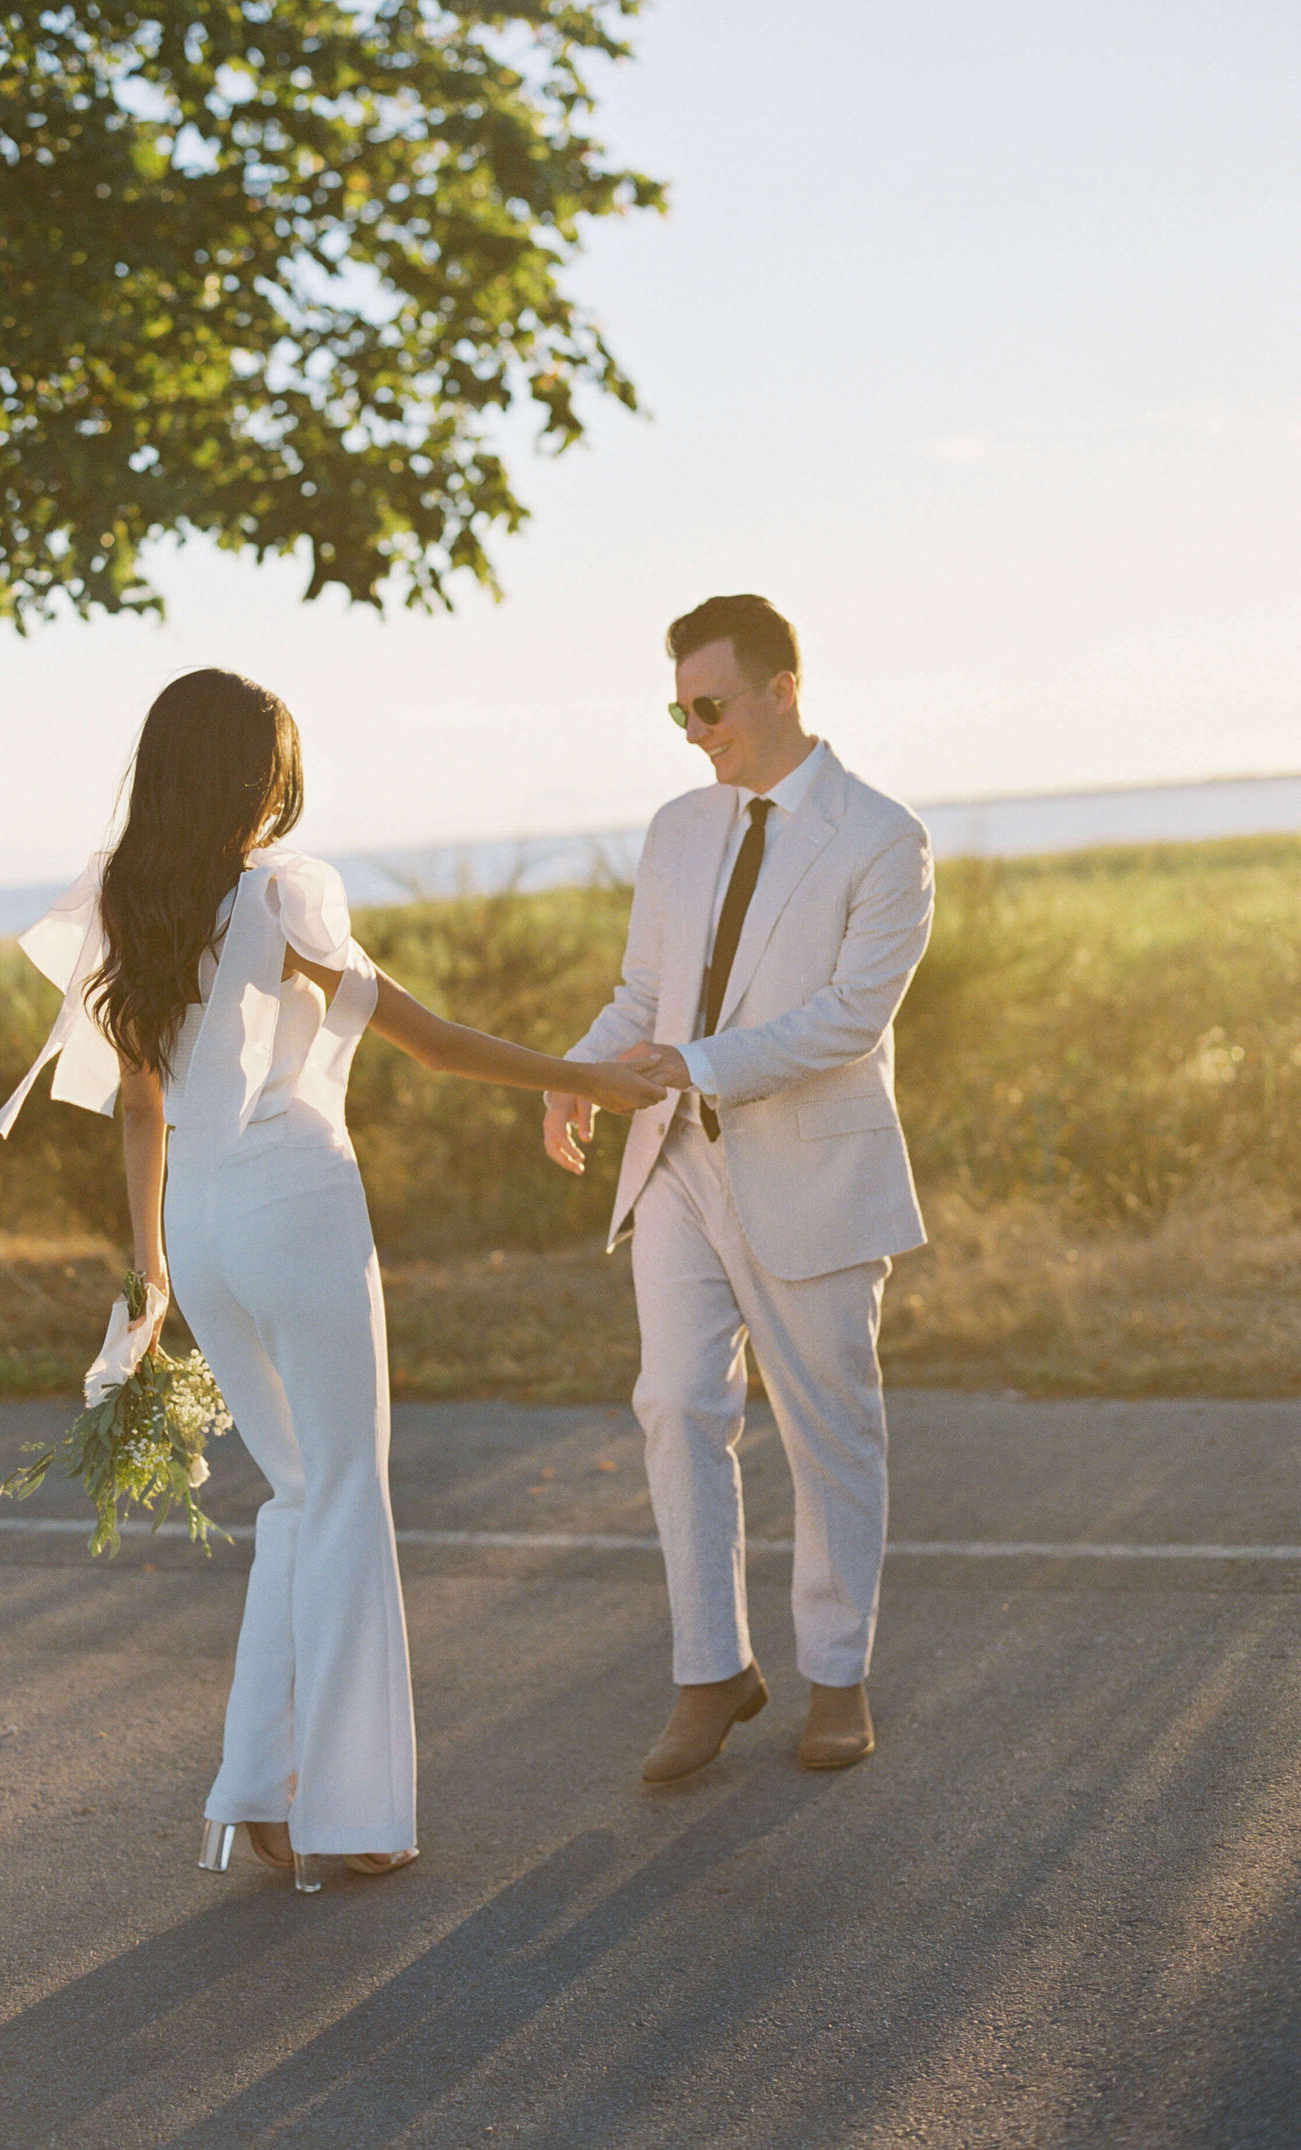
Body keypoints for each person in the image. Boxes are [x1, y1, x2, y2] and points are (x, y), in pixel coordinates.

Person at [0, 668, 661, 1891]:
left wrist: (146, 1270)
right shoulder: (283, 894)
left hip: (197, 1220)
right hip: (294, 1200)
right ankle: (351, 1812)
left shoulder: (132, 902)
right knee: (343, 1492)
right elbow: (437, 1043)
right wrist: (604, 1081)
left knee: (298, 1496)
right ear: (264, 777)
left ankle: (262, 1789)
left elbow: (141, 1104)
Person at [543, 594, 933, 1783]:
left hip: (810, 1166)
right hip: (673, 1159)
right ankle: (711, 1669)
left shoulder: (880, 836)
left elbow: (851, 1020)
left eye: (707, 705)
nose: (692, 728)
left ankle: (837, 1676)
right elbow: (646, 991)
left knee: (830, 1426)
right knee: (673, 1403)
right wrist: (576, 1074)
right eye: (678, 708)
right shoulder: (675, 827)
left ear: (782, 688)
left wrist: (700, 1065)